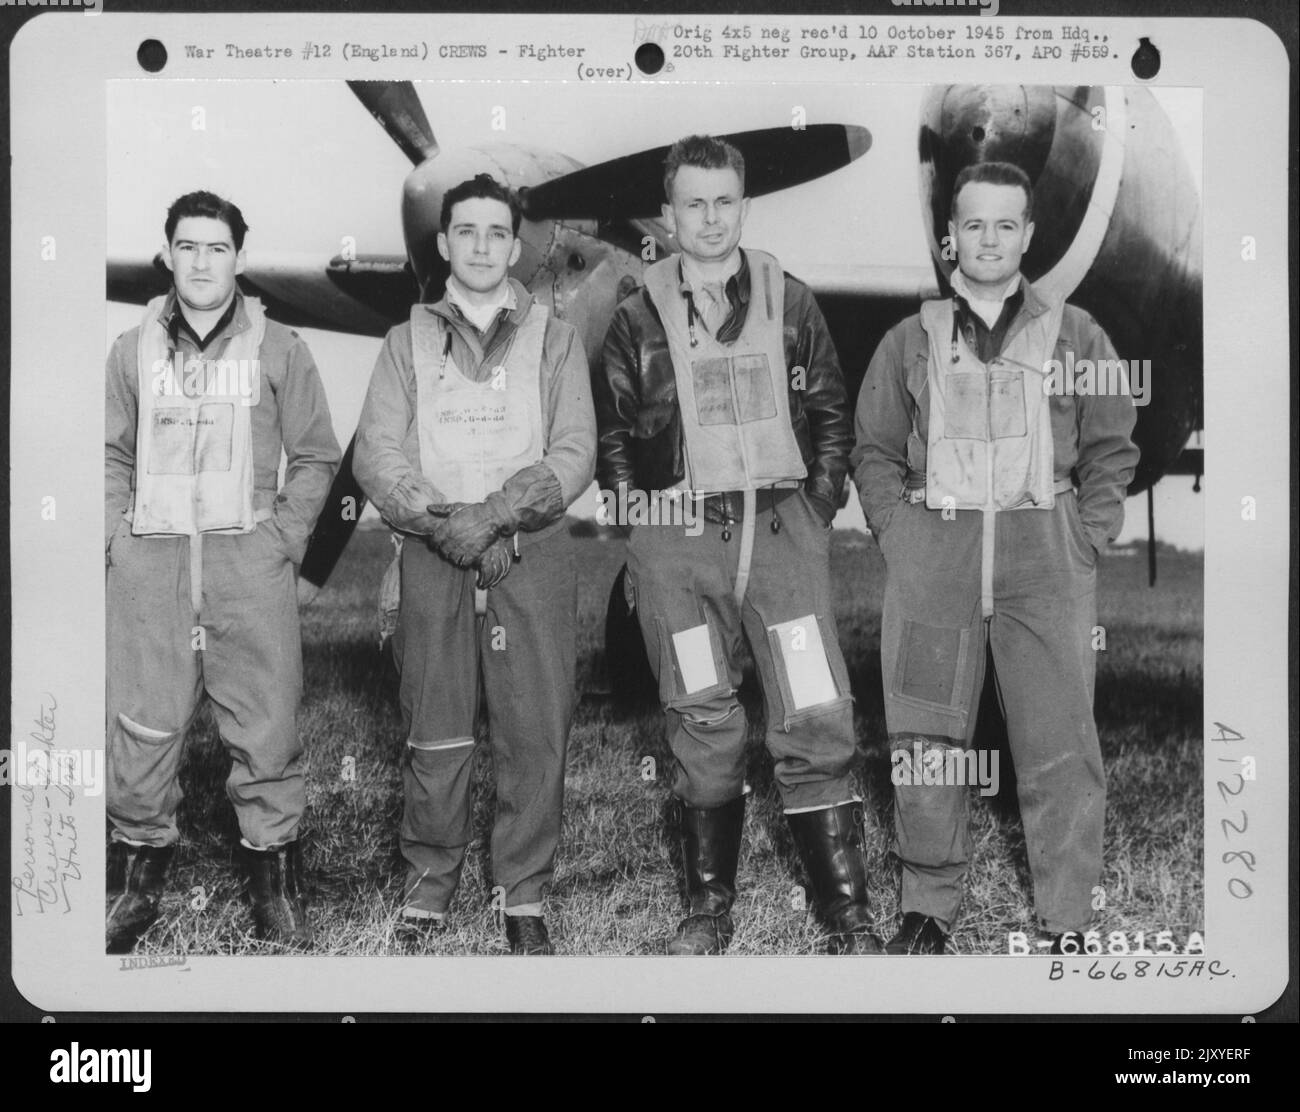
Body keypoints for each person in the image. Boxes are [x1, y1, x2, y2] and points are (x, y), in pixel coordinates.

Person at [595, 135, 879, 955]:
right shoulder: (634, 315)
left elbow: (831, 411)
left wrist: (818, 504)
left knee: (816, 709)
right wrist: (641, 523)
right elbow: (615, 433)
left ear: (743, 207)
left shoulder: (791, 301)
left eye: (724, 202)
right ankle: (707, 908)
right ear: (670, 212)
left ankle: (845, 910)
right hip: (679, 543)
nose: (710, 220)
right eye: (693, 203)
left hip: (782, 530)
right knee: (699, 712)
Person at [853, 161, 1140, 955]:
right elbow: (873, 449)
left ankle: (1066, 917)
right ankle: (927, 903)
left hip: (1042, 555)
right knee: (927, 739)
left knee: (1059, 741)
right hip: (934, 555)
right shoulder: (907, 339)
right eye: (973, 224)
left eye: (1005, 224)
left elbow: (1113, 447)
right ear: (950, 236)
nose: (989, 239)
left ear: (1029, 236)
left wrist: (1085, 535)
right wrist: (898, 534)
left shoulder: (1078, 334)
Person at [353, 173, 595, 955]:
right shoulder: (405, 342)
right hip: (434, 553)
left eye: (498, 232)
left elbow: (574, 453)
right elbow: (377, 453)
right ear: (443, 242)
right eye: (467, 231)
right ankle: (428, 886)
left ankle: (522, 892)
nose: (483, 246)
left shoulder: (555, 339)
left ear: (517, 245)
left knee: (534, 729)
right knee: (436, 727)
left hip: (532, 554)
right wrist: (445, 522)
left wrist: (496, 516)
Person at [104, 190, 341, 953]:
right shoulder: (129, 349)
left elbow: (314, 457)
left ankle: (274, 885)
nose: (202, 262)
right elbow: (108, 453)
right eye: (188, 246)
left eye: (217, 248)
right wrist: (118, 538)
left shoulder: (282, 348)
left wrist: (283, 539)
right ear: (167, 253)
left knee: (267, 730)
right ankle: (137, 885)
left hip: (249, 567)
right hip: (155, 565)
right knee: (143, 726)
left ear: (239, 257)